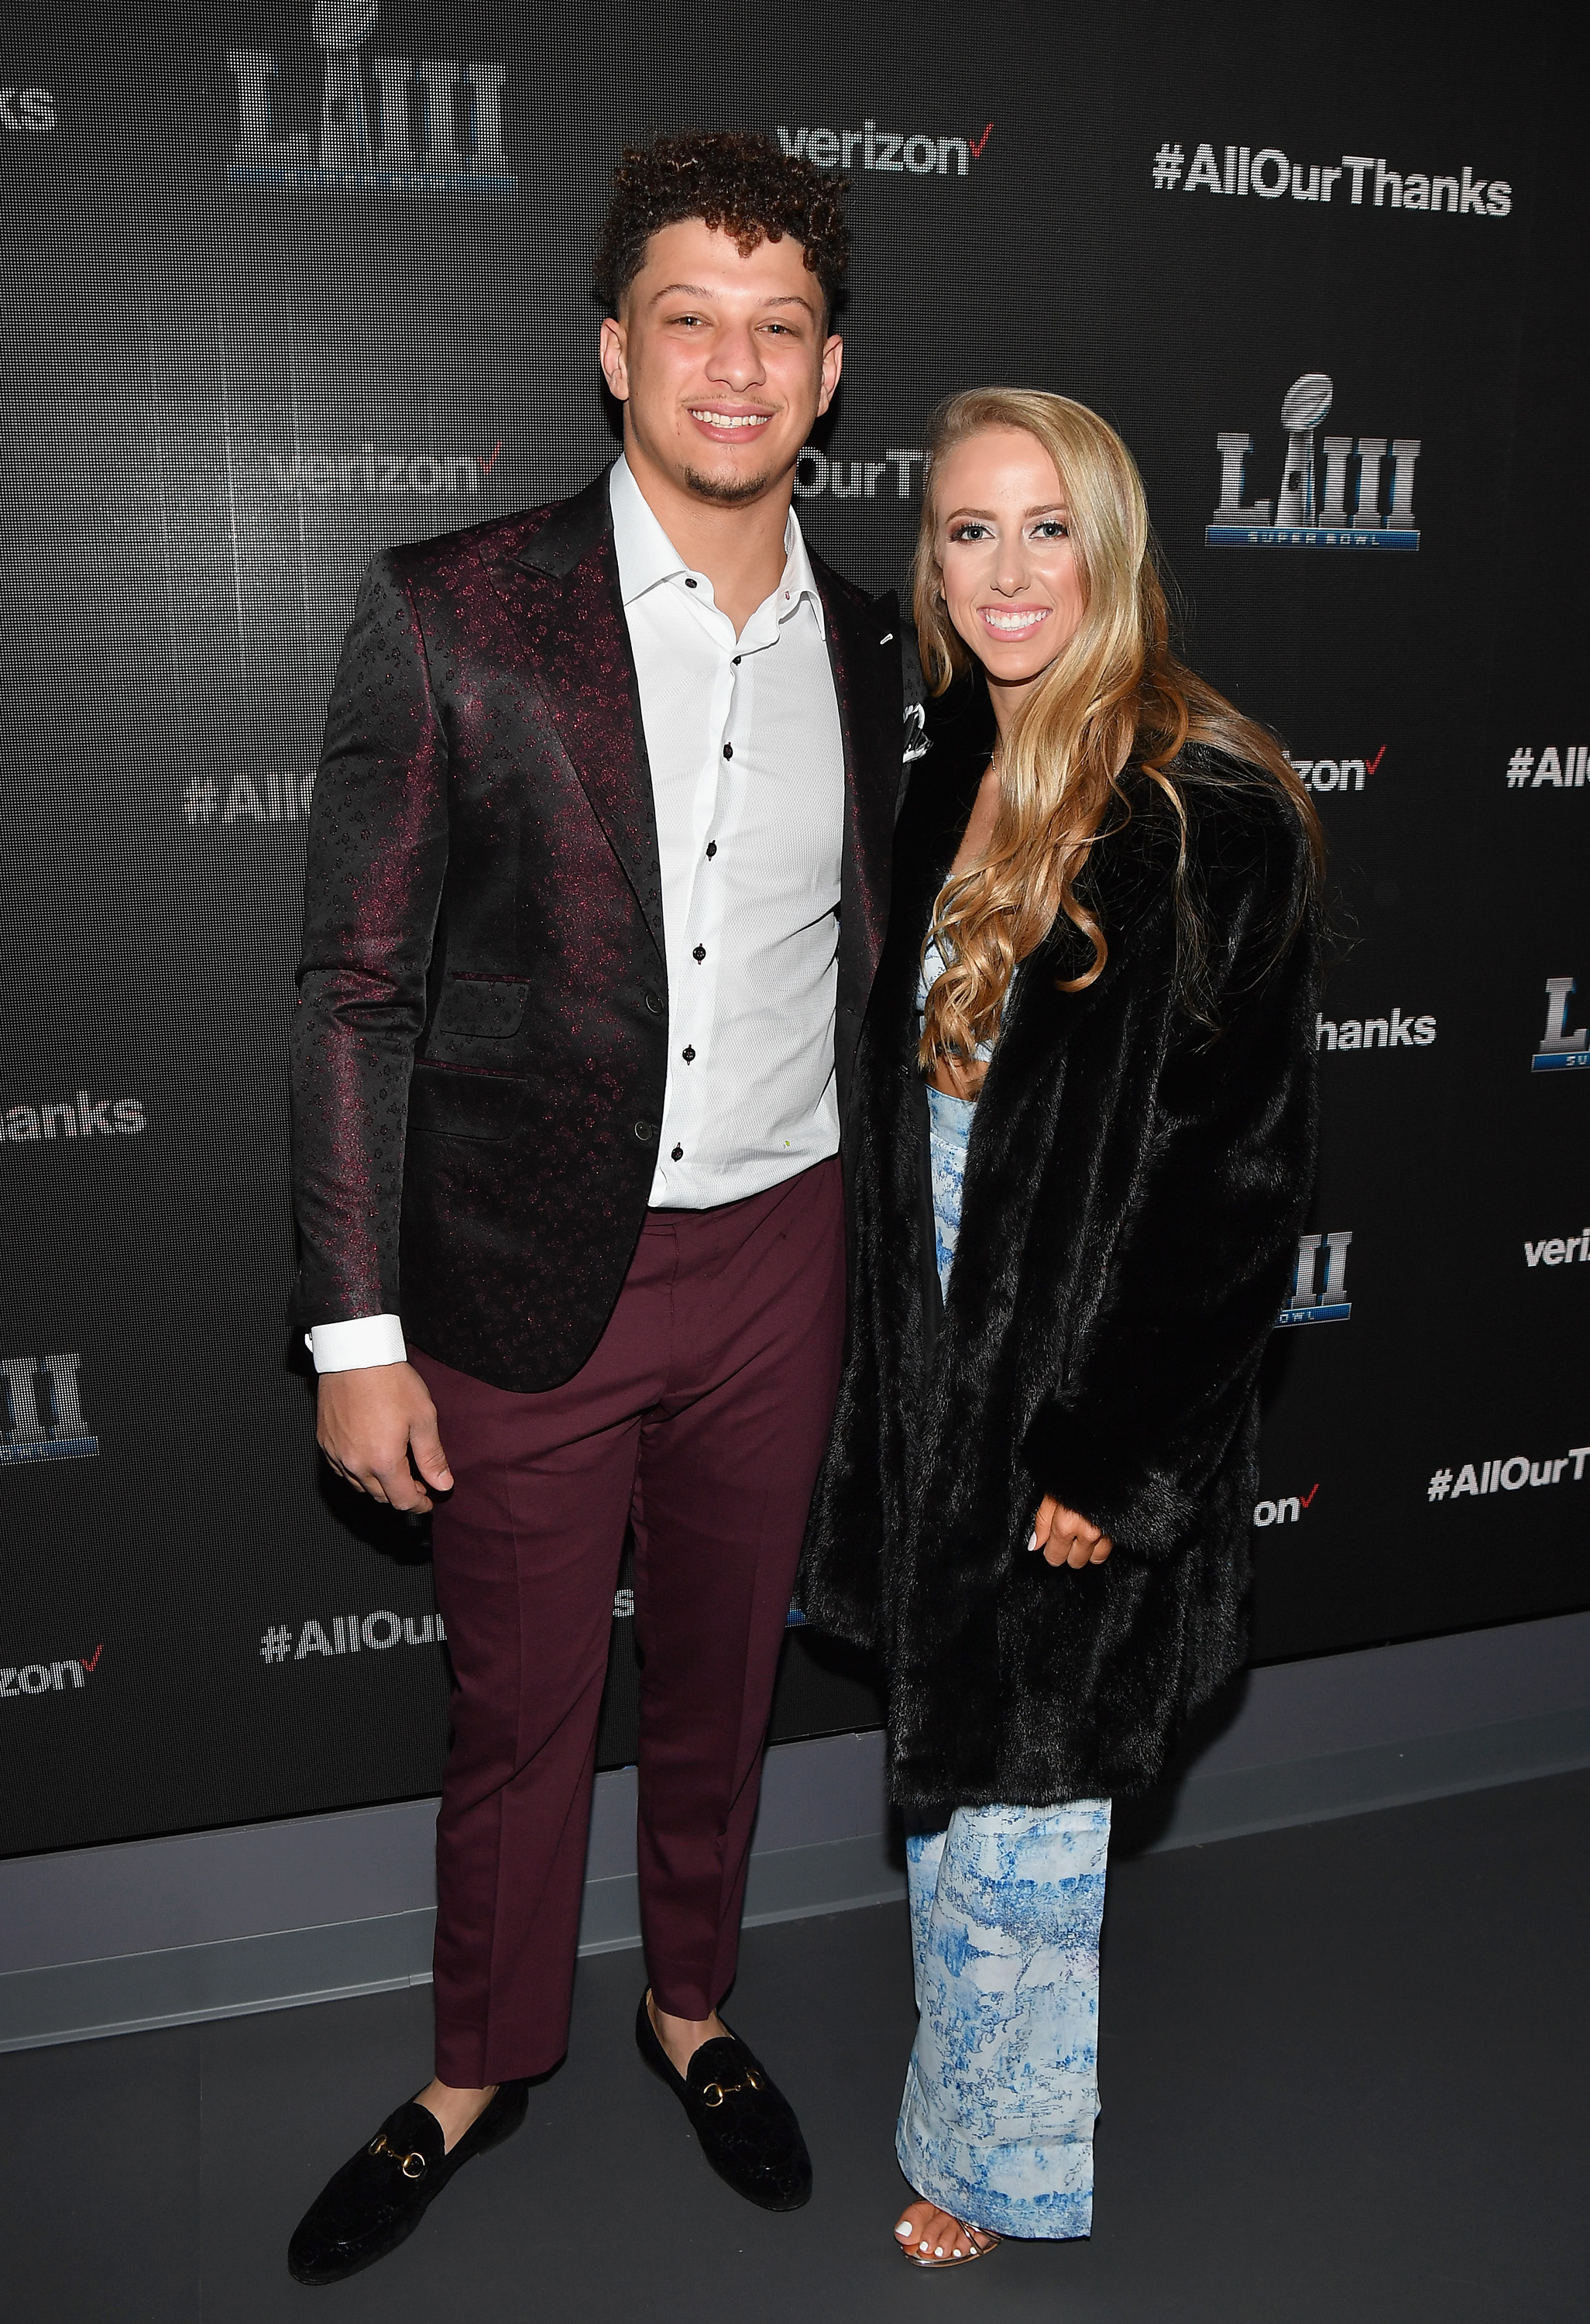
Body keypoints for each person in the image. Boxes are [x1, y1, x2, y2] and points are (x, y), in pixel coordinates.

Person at [285, 131, 913, 2285]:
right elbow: (354, 988)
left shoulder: (879, 645)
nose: (729, 369)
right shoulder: (451, 610)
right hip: (516, 1277)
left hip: (782, 1262)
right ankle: (477, 2065)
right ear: (609, 351)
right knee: (517, 1706)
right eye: (685, 321)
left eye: (774, 330)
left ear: (827, 374)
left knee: (719, 1684)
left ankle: (690, 2009)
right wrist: (353, 1334)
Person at [798, 387, 1323, 2265]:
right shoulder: (943, 761)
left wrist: (1112, 1458)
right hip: (934, 1376)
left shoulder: (1211, 813)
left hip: (1075, 1407)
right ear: (929, 560)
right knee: (957, 1787)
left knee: (1028, 1817)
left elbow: (1233, 1198)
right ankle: (973, 2103)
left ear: (1111, 549)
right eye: (966, 531)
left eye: (1046, 529)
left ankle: (998, 2164)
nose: (1006, 571)